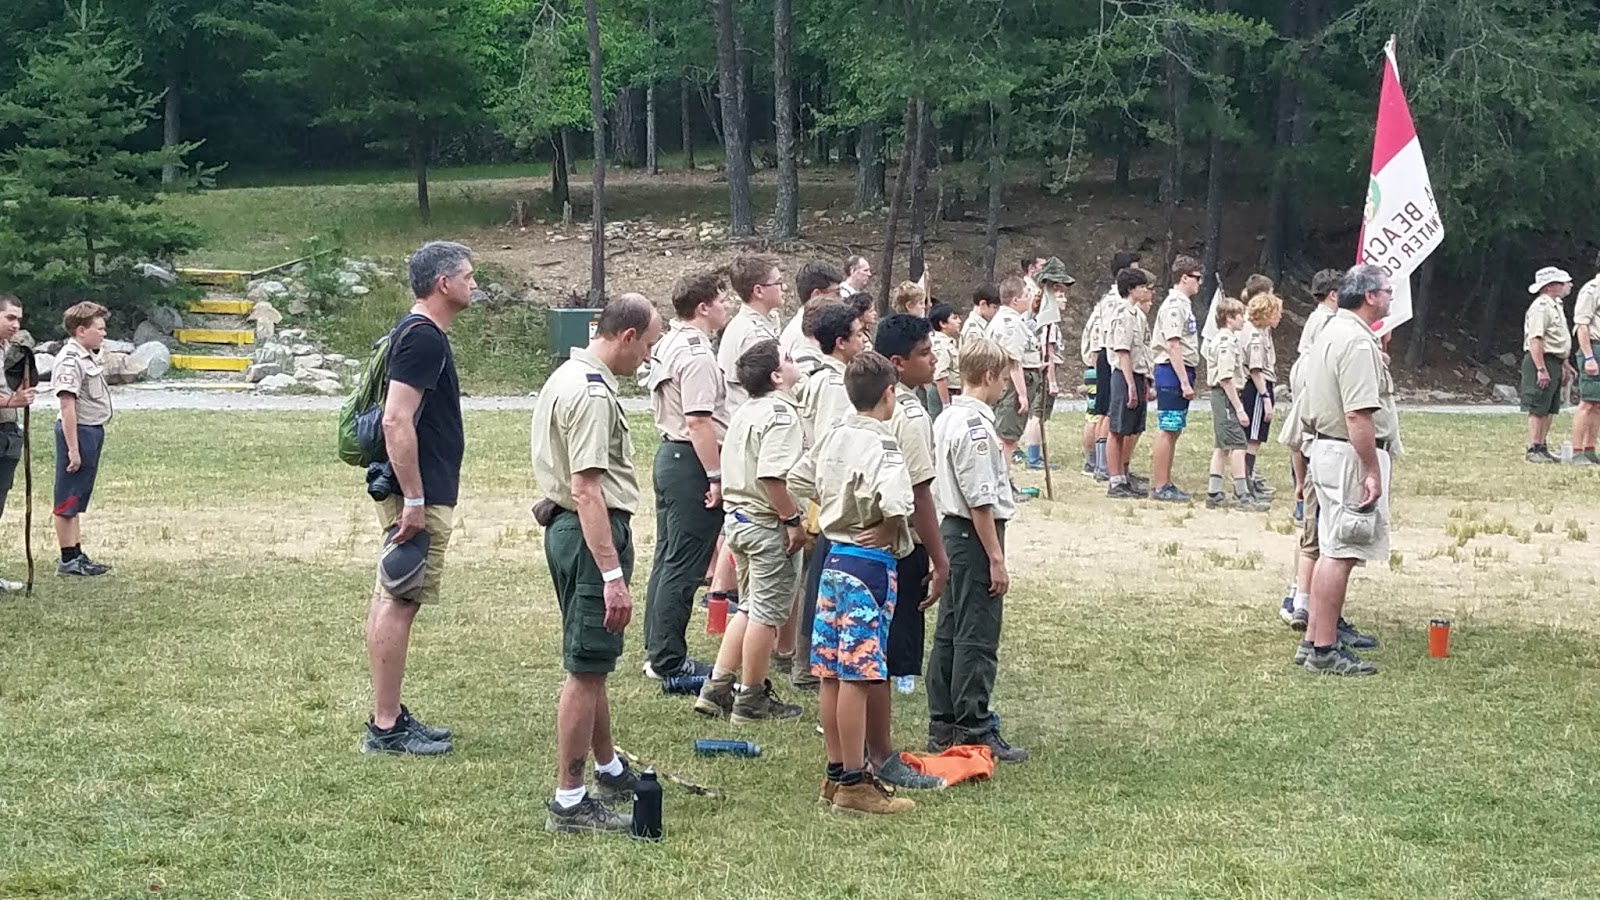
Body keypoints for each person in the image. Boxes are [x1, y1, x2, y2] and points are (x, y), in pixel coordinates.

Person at [532, 293, 663, 834]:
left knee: (595, 657)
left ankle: (607, 766)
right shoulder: (591, 394)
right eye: (649, 346)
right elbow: (587, 488)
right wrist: (612, 576)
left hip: (570, 530)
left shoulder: (569, 374)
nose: (648, 359)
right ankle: (569, 799)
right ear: (627, 335)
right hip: (591, 535)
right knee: (585, 668)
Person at [788, 351, 918, 817]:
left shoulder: (834, 434)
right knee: (859, 673)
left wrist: (832, 504)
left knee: (829, 669)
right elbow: (899, 498)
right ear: (889, 394)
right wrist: (890, 527)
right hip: (868, 566)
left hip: (834, 559)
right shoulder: (883, 444)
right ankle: (854, 780)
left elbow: (799, 476)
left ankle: (833, 770)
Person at [359, 241, 473, 755]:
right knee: (399, 598)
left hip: (418, 488)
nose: (474, 285)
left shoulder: (417, 333)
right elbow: (395, 418)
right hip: (418, 492)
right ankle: (386, 728)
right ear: (443, 284)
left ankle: (389, 715)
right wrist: (413, 498)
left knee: (391, 595)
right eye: (468, 277)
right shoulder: (423, 339)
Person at [693, 339, 808, 723]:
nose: (794, 362)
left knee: (749, 604)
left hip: (738, 522)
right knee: (766, 614)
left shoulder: (746, 410)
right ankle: (752, 697)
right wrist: (793, 520)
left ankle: (718, 686)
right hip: (766, 524)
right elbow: (773, 476)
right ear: (777, 376)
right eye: (787, 359)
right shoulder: (782, 414)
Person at [925, 337, 1025, 761]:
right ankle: (973, 724)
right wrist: (996, 559)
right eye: (1003, 378)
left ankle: (943, 719)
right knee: (977, 633)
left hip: (952, 532)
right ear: (987, 376)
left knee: (950, 627)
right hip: (973, 535)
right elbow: (980, 499)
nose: (1004, 387)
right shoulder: (977, 428)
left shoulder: (946, 417)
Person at [1298, 265, 1397, 677]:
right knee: (1341, 551)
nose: (1392, 297)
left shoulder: (1332, 331)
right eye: (1388, 291)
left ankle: (1313, 642)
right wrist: (1371, 468)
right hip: (1347, 454)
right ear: (1371, 296)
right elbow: (1358, 416)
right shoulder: (1355, 342)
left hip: (1328, 449)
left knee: (1331, 548)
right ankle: (1324, 651)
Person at [868, 314, 951, 790]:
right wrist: (939, 559)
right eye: (924, 353)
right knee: (880, 652)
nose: (934, 359)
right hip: (897, 547)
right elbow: (920, 494)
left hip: (849, 544)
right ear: (896, 364)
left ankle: (860, 745)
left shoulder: (858, 402)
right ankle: (880, 754)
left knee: (855, 654)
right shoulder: (910, 413)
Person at [641, 271, 733, 681]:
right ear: (703, 307)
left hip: (674, 457)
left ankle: (657, 648)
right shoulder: (696, 353)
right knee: (685, 562)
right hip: (692, 459)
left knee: (669, 557)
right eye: (721, 299)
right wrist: (715, 475)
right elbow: (699, 421)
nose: (725, 306)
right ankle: (669, 660)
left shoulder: (670, 341)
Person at [792, 302, 871, 691]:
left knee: (816, 574)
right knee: (821, 574)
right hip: (828, 492)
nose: (863, 339)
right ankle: (809, 662)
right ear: (840, 343)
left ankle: (810, 657)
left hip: (820, 490)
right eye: (858, 334)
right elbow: (830, 443)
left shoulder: (821, 378)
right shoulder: (837, 386)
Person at [1276, 267, 1343, 627]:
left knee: (1314, 529)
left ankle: (1306, 594)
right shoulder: (1326, 330)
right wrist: (1300, 479)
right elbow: (1303, 425)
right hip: (1313, 447)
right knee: (1313, 531)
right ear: (1334, 294)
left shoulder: (1317, 334)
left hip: (1308, 446)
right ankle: (1301, 598)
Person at [50, 301, 115, 578]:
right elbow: (67, 406)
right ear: (81, 330)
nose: (104, 333)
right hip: (78, 432)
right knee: (67, 497)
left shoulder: (88, 355)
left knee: (78, 497)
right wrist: (73, 449)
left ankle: (76, 553)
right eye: (99, 328)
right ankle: (67, 559)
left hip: (91, 430)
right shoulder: (70, 359)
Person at [1202, 297, 1269, 512]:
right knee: (1238, 445)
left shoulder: (1228, 340)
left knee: (1222, 446)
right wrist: (1239, 408)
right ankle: (1242, 494)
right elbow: (1225, 378)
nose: (1244, 319)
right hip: (1226, 395)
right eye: (1241, 315)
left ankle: (1214, 492)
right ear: (1230, 318)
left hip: (1224, 395)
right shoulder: (1226, 342)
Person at [1081, 252, 1142, 479]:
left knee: (1107, 412)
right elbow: (1104, 335)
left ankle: (1106, 464)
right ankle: (1100, 465)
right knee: (1107, 413)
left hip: (1110, 357)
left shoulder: (1120, 301)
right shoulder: (1113, 301)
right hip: (1109, 358)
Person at [1149, 255, 1203, 502]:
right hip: (1171, 371)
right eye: (1197, 278)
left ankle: (1166, 481)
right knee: (1168, 428)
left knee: (1175, 428)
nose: (1199, 284)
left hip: (1179, 370)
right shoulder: (1174, 306)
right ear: (1184, 278)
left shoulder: (1184, 305)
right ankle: (1161, 485)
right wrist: (1183, 381)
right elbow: (1173, 345)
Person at [1106, 267, 1156, 499]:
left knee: (1132, 428)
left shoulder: (1138, 315)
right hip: (1124, 375)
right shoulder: (1123, 315)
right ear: (1131, 289)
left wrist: (1146, 380)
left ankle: (1125, 475)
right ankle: (1115, 480)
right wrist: (1130, 386)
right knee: (1117, 429)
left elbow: (1142, 351)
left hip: (1137, 374)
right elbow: (1123, 352)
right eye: (1142, 286)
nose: (1146, 290)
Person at [1521, 266, 1576, 463]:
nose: (1568, 285)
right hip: (1542, 359)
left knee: (1550, 406)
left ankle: (1542, 445)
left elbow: (1559, 338)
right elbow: (1536, 339)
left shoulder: (1556, 305)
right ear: (1551, 286)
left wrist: (1565, 363)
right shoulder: (1540, 307)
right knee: (1538, 405)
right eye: (1563, 282)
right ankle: (1534, 447)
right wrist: (1541, 368)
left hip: (1555, 360)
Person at [720, 254, 786, 414]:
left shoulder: (754, 323)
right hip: (757, 419)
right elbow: (773, 385)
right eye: (778, 282)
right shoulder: (753, 335)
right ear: (759, 291)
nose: (784, 287)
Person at [1023, 257, 1073, 470]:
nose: (1063, 299)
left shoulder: (1040, 312)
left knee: (1037, 416)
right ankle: (1033, 457)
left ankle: (1035, 455)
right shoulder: (1047, 317)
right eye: (1059, 292)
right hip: (1043, 370)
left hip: (1038, 367)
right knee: (1038, 415)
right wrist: (1052, 381)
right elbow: (1048, 351)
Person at [0, 296, 35, 591]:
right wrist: (13, 400)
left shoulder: (8, 351)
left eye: (19, 320)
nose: (16, 325)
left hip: (8, 434)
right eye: (10, 318)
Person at [988, 277, 1036, 470]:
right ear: (1015, 300)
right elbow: (1014, 361)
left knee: (1008, 436)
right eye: (1026, 295)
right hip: (1013, 387)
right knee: (1007, 438)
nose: (1029, 298)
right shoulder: (1011, 324)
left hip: (1013, 383)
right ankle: (1004, 483)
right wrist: (1022, 394)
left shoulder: (1011, 320)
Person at [1243, 290, 1284, 497]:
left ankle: (1248, 478)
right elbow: (1255, 370)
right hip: (1258, 387)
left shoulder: (1261, 331)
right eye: (1277, 312)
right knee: (1254, 437)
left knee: (1255, 436)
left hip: (1261, 385)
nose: (1280, 316)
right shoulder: (1256, 336)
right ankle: (1247, 480)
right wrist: (1266, 398)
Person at [780, 260, 844, 357]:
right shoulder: (805, 336)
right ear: (816, 295)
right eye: (837, 293)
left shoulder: (815, 327)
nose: (841, 299)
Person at [1571, 255, 1600, 466]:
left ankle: (1590, 449)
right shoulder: (1592, 289)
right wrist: (1589, 357)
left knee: (1598, 405)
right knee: (1587, 403)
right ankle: (1577, 451)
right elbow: (1582, 325)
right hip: (1593, 347)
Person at [928, 303, 962, 417]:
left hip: (951, 392)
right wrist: (946, 405)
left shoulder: (949, 341)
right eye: (954, 318)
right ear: (942, 324)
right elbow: (941, 376)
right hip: (945, 394)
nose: (959, 321)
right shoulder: (940, 344)